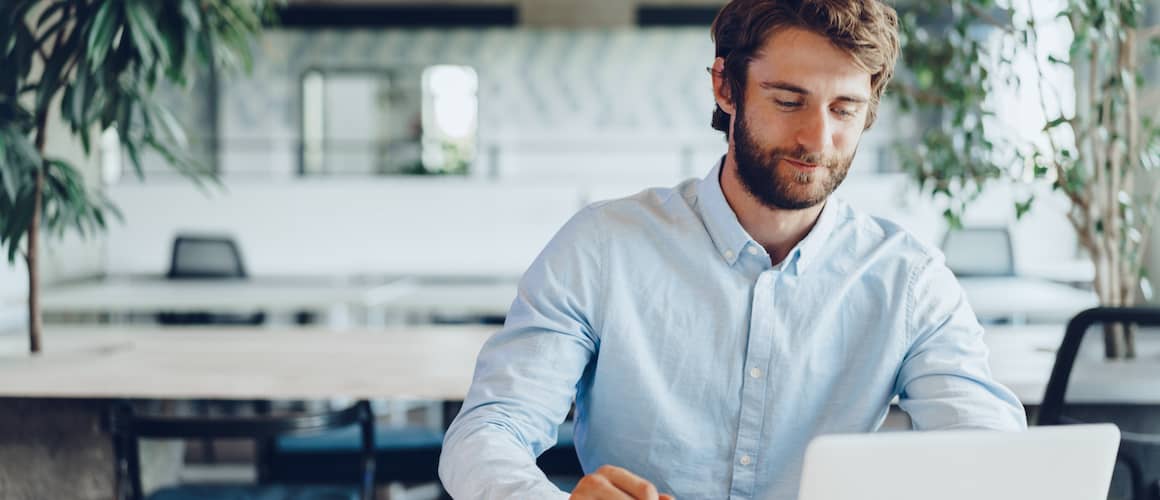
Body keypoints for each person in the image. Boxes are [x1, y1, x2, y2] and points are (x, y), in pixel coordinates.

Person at [439, 0, 1028, 498]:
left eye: (844, 108)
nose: (818, 140)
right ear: (726, 87)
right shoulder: (602, 248)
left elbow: (991, 454)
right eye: (788, 100)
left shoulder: (909, 280)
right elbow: (488, 431)